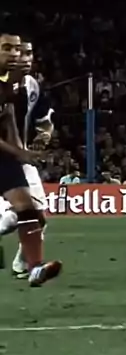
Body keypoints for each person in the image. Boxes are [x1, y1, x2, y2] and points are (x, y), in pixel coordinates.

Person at [0, 33, 61, 285]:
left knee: (28, 209)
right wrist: (19, 153)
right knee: (21, 212)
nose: (15, 54)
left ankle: (35, 268)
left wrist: (21, 152)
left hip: (5, 156)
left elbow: (8, 118)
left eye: (18, 49)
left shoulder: (10, 85)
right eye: (7, 48)